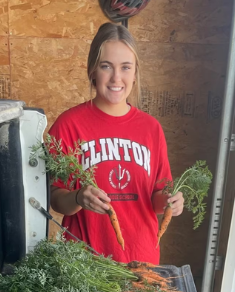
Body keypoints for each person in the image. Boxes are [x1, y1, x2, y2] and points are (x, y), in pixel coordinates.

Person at [49, 22, 184, 265]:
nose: (116, 78)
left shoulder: (151, 129)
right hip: (83, 265)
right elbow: (55, 199)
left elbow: (156, 198)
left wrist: (169, 202)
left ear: (135, 74)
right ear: (92, 71)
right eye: (106, 66)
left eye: (125, 67)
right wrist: (79, 198)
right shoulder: (68, 125)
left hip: (142, 261)